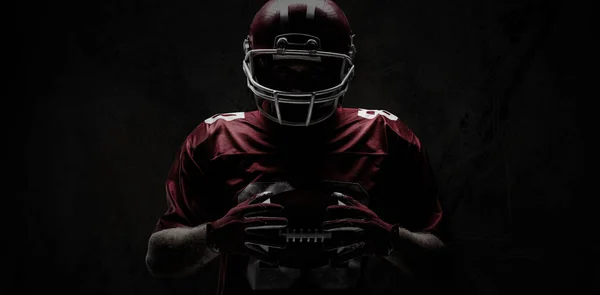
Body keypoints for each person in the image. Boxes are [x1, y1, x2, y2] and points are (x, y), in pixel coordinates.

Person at [145, 1, 445, 294]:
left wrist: (387, 238)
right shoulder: (215, 139)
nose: (296, 87)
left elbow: (443, 261)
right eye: (282, 69)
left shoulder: (386, 136)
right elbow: (159, 257)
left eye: (314, 70)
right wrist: (215, 236)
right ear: (254, 61)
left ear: (344, 65)